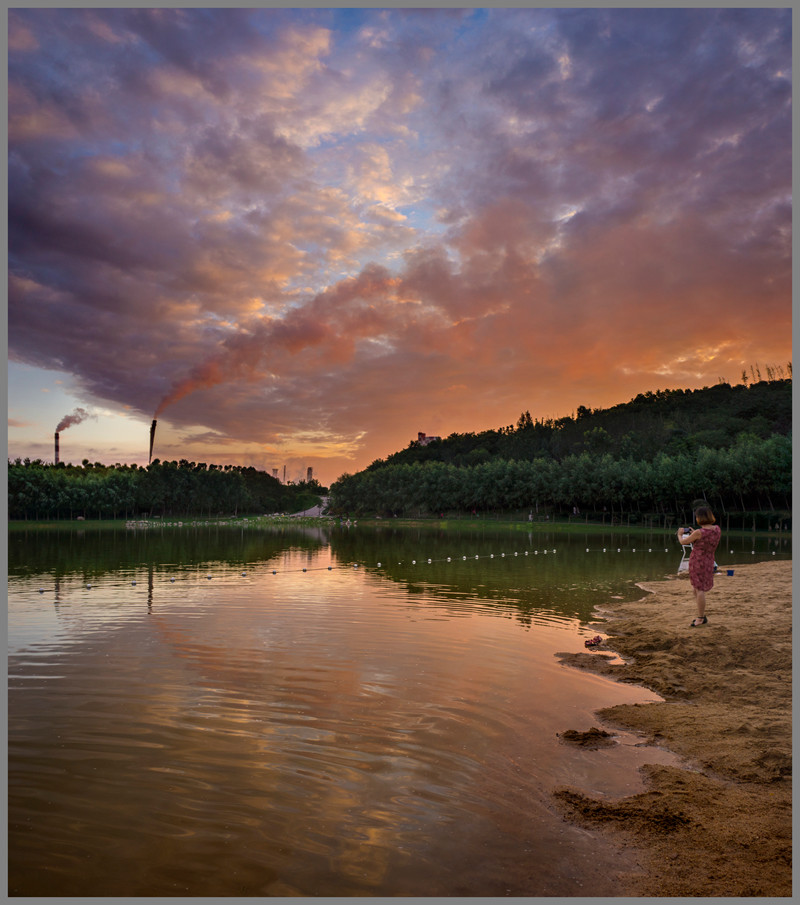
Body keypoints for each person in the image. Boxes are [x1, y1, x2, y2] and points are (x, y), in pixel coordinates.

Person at [677, 505, 722, 627]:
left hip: (698, 562)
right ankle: (701, 613)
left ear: (699, 518)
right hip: (708, 561)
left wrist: (680, 534)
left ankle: (701, 618)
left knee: (699, 589)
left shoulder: (698, 533)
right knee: (696, 588)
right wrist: (694, 534)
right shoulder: (717, 529)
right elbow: (706, 540)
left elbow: (683, 542)